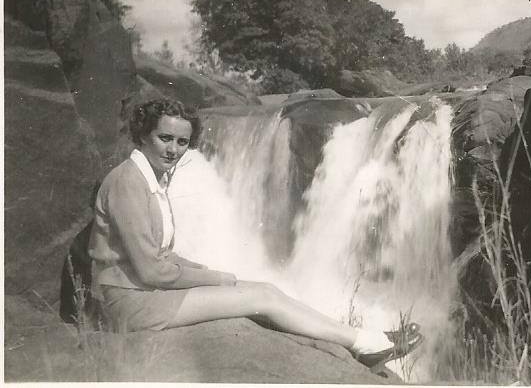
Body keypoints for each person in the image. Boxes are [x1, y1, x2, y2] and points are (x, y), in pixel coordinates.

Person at [87, 97, 421, 369]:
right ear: (143, 134)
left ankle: (363, 339)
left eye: (182, 142)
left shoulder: (150, 178)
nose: (173, 150)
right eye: (165, 138)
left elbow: (158, 251)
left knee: (264, 289)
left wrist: (202, 271)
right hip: (128, 302)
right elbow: (149, 269)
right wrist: (215, 279)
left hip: (144, 292)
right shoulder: (127, 182)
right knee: (259, 297)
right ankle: (363, 343)